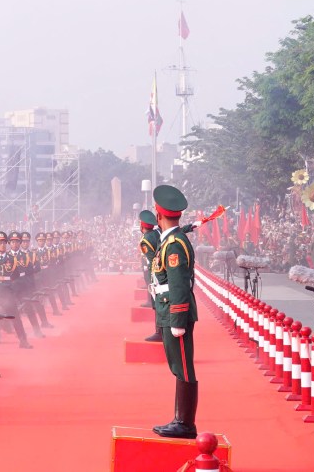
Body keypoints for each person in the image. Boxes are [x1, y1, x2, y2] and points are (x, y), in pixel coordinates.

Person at [150, 185, 199, 439]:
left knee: (183, 366)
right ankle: (180, 419)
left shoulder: (174, 243)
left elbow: (179, 282)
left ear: (159, 216)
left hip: (175, 312)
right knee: (177, 365)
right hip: (168, 309)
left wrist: (178, 317)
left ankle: (186, 423)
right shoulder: (172, 239)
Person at [0, 231, 35, 349]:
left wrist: (6, 283)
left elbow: (16, 275)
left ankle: (23, 340)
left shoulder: (12, 259)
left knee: (15, 316)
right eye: (0, 243)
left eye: (4, 243)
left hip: (7, 290)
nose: (2, 245)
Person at [138, 210, 163, 342]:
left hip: (156, 274)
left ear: (142, 227)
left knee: (157, 304)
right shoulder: (158, 232)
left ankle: (159, 332)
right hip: (162, 272)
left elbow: (153, 260)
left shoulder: (146, 240)